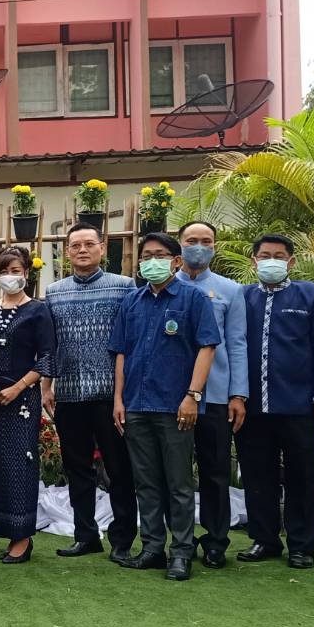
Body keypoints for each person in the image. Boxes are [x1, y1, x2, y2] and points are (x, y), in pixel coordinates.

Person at [107, 233, 219, 581]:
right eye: (146, 256)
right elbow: (122, 353)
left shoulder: (193, 299)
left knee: (179, 483)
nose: (151, 261)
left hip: (176, 406)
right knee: (147, 482)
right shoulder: (132, 302)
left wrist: (193, 395)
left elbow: (207, 348)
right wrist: (118, 400)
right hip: (136, 405)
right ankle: (153, 547)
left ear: (175, 261)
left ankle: (181, 552)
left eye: (159, 255)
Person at [235, 235, 314, 569]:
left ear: (291, 262)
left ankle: (302, 544)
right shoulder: (243, 296)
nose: (271, 261)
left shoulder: (311, 294)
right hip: (252, 407)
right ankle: (264, 539)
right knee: (256, 474)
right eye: (264, 255)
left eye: (278, 256)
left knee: (301, 475)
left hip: (297, 405)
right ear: (254, 261)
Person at [41, 223, 138, 563]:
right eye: (75, 245)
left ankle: (122, 539)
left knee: (119, 469)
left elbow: (130, 343)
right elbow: (49, 344)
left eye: (88, 244)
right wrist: (47, 385)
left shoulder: (125, 287)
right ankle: (85, 536)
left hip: (111, 396)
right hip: (68, 393)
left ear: (102, 247)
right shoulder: (54, 292)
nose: (82, 250)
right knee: (77, 468)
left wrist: (123, 397)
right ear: (67, 252)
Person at [175, 221, 249, 568]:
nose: (199, 247)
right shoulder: (163, 286)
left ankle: (217, 540)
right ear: (180, 245)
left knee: (215, 471)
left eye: (206, 241)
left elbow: (237, 343)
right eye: (192, 240)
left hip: (216, 396)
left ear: (215, 247)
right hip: (171, 396)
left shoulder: (231, 291)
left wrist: (238, 394)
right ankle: (178, 538)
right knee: (175, 474)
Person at [0, 245, 56, 563]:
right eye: (4, 271)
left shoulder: (37, 310)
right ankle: (8, 531)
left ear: (26, 273)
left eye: (16, 271)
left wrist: (20, 387)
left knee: (21, 464)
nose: (10, 277)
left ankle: (23, 538)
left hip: (22, 399)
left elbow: (48, 356)